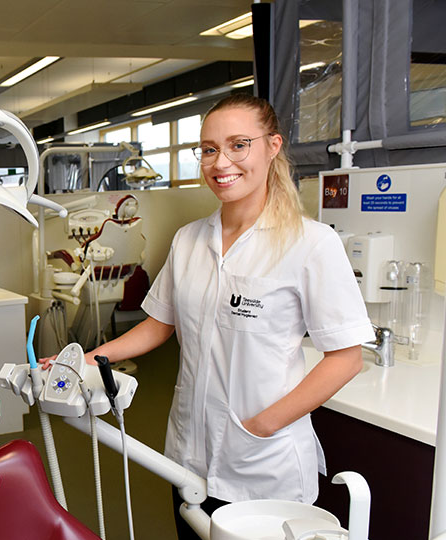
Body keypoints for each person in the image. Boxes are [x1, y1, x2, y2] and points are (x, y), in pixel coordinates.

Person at [78, 94, 372, 538]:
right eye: (210, 149)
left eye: (239, 145)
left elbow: (346, 357)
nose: (221, 162)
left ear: (272, 147)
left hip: (263, 463)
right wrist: (88, 359)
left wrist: (263, 425)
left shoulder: (310, 243)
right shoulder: (189, 240)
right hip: (189, 456)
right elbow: (160, 324)